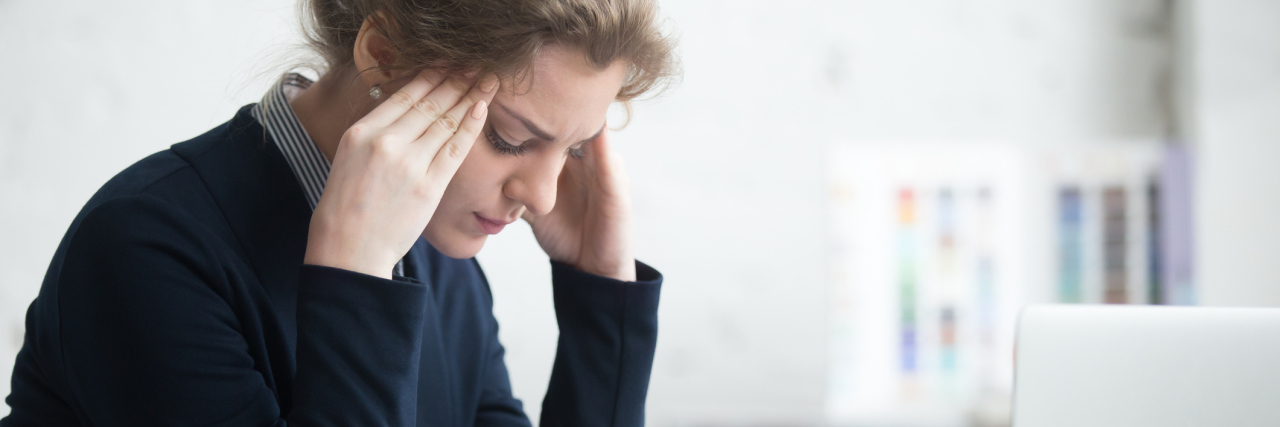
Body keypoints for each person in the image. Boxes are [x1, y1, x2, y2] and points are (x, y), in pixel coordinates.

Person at [1, 0, 677, 425]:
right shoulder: (144, 250)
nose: (544, 196)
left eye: (574, 149)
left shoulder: (441, 261)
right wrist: (354, 275)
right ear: (383, 55)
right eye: (509, 138)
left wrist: (603, 298)